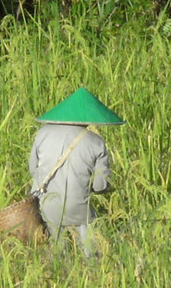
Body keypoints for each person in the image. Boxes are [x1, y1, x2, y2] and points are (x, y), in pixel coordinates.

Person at [28, 87, 120, 255]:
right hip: (78, 206)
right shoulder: (96, 142)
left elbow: (33, 169)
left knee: (55, 253)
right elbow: (100, 185)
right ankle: (93, 274)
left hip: (45, 203)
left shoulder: (43, 133)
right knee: (90, 253)